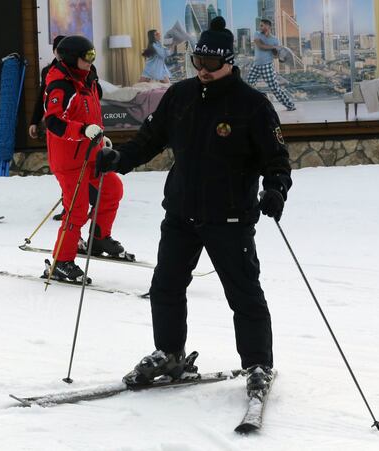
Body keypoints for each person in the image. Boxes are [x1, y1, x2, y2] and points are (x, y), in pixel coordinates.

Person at [95, 17, 292, 395]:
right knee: (166, 286)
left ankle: (257, 365)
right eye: (197, 62)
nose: (202, 70)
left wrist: (276, 189)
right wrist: (119, 157)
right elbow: (149, 140)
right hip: (182, 212)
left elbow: (276, 159)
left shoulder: (252, 105)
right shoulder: (180, 95)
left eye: (211, 64)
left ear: (229, 62)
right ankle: (169, 354)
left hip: (230, 217)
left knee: (244, 293)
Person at [44, 35, 124, 282]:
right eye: (86, 57)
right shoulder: (61, 85)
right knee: (76, 210)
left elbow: (92, 111)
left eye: (93, 56)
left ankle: (98, 238)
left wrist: (99, 138)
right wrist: (82, 131)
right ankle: (62, 261)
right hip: (68, 161)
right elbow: (53, 122)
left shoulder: (87, 78)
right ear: (70, 58)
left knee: (112, 189)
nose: (91, 61)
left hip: (91, 154)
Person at [247, 19, 296, 111]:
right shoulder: (257, 34)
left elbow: (276, 55)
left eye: (262, 25)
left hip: (267, 66)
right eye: (260, 25)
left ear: (268, 26)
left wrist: (280, 55)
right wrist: (274, 47)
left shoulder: (275, 39)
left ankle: (290, 105)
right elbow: (260, 46)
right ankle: (250, 105)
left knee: (275, 88)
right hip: (256, 65)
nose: (260, 27)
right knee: (248, 85)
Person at [28, 35, 66, 140]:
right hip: (54, 120)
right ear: (54, 51)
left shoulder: (79, 68)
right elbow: (42, 97)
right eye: (59, 50)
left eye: (65, 50)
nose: (62, 53)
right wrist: (34, 121)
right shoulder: (48, 71)